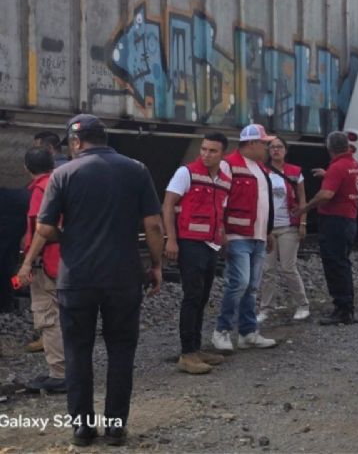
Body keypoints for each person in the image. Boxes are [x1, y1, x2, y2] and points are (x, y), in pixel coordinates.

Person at [16, 114, 164, 446]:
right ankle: (114, 427)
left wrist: (67, 235)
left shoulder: (62, 174)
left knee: (78, 352)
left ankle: (82, 429)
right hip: (123, 277)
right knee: (121, 351)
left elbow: (43, 229)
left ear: (76, 142)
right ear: (104, 138)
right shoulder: (136, 170)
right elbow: (153, 226)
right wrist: (156, 265)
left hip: (76, 279)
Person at [161, 133, 232, 374]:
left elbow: (219, 210)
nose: (206, 154)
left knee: (202, 297)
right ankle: (187, 353)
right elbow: (168, 204)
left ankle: (195, 347)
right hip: (190, 242)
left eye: (212, 151)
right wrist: (171, 239)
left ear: (223, 154)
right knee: (192, 297)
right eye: (203, 149)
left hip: (210, 244)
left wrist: (222, 235)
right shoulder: (187, 173)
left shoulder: (224, 179)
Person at [212, 124, 277, 352]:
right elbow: (219, 200)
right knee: (239, 283)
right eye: (265, 143)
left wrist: (267, 232)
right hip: (238, 234)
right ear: (252, 143)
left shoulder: (260, 168)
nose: (268, 147)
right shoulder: (229, 165)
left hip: (256, 236)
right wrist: (221, 232)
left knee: (251, 286)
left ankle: (247, 332)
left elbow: (263, 204)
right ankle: (222, 330)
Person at [296, 131, 358, 326]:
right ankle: (347, 308)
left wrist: (305, 208)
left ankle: (341, 310)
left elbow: (326, 194)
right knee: (343, 264)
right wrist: (329, 175)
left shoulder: (338, 167)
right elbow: (345, 182)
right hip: (349, 220)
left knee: (334, 265)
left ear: (329, 147)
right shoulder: (353, 164)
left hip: (335, 221)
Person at [17, 148, 66, 394]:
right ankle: (72, 370)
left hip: (48, 263)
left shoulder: (39, 190)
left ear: (27, 168)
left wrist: (27, 262)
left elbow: (41, 229)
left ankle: (59, 374)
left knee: (49, 318)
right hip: (66, 260)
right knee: (67, 316)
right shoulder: (61, 183)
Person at [258, 137, 310, 323]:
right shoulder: (262, 171)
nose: (276, 150)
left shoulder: (295, 172)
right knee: (268, 270)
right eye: (272, 148)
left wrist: (303, 223)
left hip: (289, 226)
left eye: (279, 147)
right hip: (268, 228)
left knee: (288, 267)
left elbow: (303, 199)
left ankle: (303, 305)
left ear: (286, 150)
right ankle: (265, 308)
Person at [0, 186, 29, 313]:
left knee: (8, 266)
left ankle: (8, 299)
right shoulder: (23, 194)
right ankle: (10, 297)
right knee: (12, 264)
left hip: (9, 228)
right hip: (15, 232)